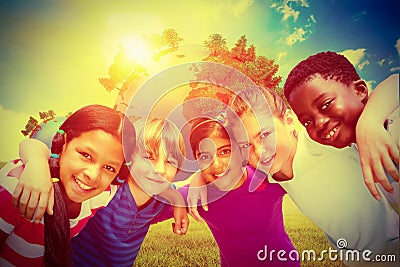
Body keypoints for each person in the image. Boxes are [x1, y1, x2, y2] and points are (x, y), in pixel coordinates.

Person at [189, 87, 399, 266]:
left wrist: (369, 123)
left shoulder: (320, 140)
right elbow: (226, 170)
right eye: (246, 146)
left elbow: (393, 84)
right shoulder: (267, 174)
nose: (260, 152)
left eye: (264, 135)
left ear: (289, 121)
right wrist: (199, 176)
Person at [13, 116, 189, 267]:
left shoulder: (161, 200)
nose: (159, 169)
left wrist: (177, 200)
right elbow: (33, 144)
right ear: (127, 156)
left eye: (170, 162)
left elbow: (195, 192)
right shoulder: (106, 187)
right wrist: (36, 163)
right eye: (149, 157)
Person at [0, 104, 136, 267]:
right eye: (86, 155)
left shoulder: (101, 195)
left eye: (109, 168)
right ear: (63, 144)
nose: (92, 176)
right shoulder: (18, 189)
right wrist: (35, 159)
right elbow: (31, 145)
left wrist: (175, 199)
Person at [174, 116, 299, 266]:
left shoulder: (266, 177)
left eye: (225, 151)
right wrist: (176, 197)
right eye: (205, 156)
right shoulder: (197, 195)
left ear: (241, 151)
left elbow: (297, 163)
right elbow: (147, 199)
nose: (217, 164)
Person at [283, 51, 399, 202]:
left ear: (359, 91)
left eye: (326, 104)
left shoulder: (394, 131)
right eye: (307, 121)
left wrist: (369, 123)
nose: (319, 123)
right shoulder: (348, 154)